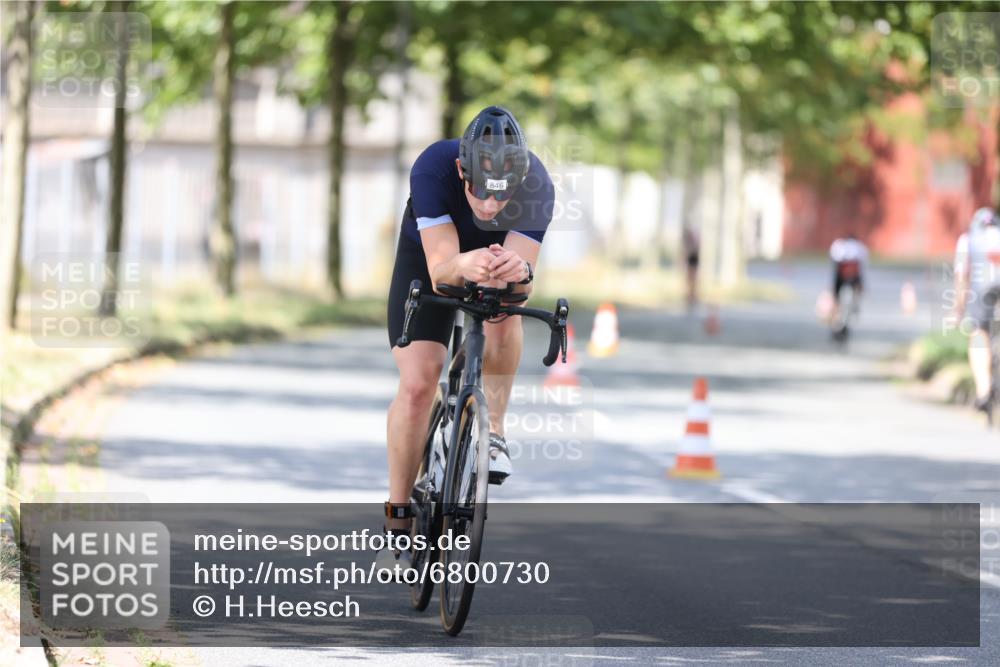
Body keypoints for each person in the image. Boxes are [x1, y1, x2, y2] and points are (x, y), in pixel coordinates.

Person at [377, 106, 555, 572]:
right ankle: (398, 517)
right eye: (481, 192)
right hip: (430, 261)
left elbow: (522, 284)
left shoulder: (537, 184)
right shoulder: (433, 167)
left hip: (493, 263)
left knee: (505, 312)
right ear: (462, 171)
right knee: (418, 384)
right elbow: (441, 274)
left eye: (502, 195)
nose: (491, 207)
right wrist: (463, 264)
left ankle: (493, 433)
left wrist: (519, 272)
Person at [953, 206, 1000, 412]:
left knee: (979, 333)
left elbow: (962, 278)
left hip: (982, 290)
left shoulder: (968, 239)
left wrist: (958, 309)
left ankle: (984, 389)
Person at [828, 232, 868, 328]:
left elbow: (834, 261)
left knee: (836, 293)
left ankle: (836, 304)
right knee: (857, 290)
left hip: (841, 274)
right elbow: (863, 265)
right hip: (854, 274)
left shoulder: (839, 245)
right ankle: (855, 303)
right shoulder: (860, 247)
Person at [682, 226, 700, 310]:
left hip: (693, 262)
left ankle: (692, 296)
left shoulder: (694, 247)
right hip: (691, 262)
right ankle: (690, 296)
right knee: (690, 280)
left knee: (693, 280)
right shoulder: (689, 246)